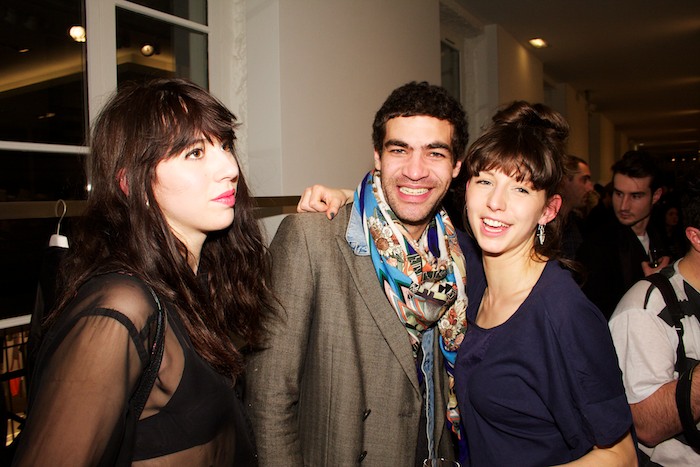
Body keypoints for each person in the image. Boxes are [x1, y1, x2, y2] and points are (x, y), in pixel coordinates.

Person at [11, 78, 273, 466]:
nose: (229, 168)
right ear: (131, 183)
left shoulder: (198, 280)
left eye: (225, 145)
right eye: (195, 153)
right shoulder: (121, 307)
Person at [246, 81, 484, 466]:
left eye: (435, 153)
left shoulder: (459, 257)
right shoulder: (312, 238)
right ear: (378, 157)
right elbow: (268, 398)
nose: (415, 171)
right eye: (399, 150)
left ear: (456, 166)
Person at [453, 101, 635, 466]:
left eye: (520, 189)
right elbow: (411, 220)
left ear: (548, 210)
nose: (495, 203)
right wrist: (352, 198)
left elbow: (622, 455)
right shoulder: (473, 274)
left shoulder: (564, 313)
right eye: (485, 181)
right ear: (467, 189)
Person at [609, 172, 700, 466]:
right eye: (619, 193)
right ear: (696, 237)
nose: (625, 204)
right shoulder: (646, 309)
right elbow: (646, 426)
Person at [577, 150, 670, 319]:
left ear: (655, 196)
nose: (623, 206)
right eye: (619, 194)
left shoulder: (663, 238)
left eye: (635, 196)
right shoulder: (597, 246)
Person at [559, 154, 594, 259]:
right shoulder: (544, 226)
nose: (590, 188)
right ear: (564, 181)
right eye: (584, 180)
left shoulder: (575, 223)